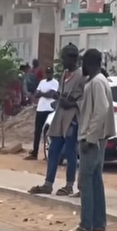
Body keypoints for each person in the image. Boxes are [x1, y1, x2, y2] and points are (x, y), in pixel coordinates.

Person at [70, 49, 115, 231]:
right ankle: (98, 223)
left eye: (83, 63)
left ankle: (86, 223)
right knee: (95, 180)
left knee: (85, 181)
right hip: (98, 138)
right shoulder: (99, 80)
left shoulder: (96, 82)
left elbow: (101, 109)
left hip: (92, 139)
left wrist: (90, 137)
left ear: (89, 63)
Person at [30, 45, 82, 196]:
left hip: (72, 118)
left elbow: (84, 98)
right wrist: (58, 97)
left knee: (71, 152)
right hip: (60, 116)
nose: (62, 61)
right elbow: (61, 93)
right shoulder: (65, 74)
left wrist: (71, 103)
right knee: (53, 150)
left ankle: (69, 185)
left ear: (72, 58)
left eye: (64, 58)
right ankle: (48, 184)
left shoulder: (81, 76)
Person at [26, 69, 59, 160]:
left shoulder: (55, 82)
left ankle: (47, 154)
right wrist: (44, 93)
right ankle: (35, 152)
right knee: (37, 131)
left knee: (48, 132)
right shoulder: (42, 82)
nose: (48, 74)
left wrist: (41, 93)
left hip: (49, 109)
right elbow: (36, 94)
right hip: (40, 109)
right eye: (47, 73)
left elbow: (52, 94)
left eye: (50, 73)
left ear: (52, 73)